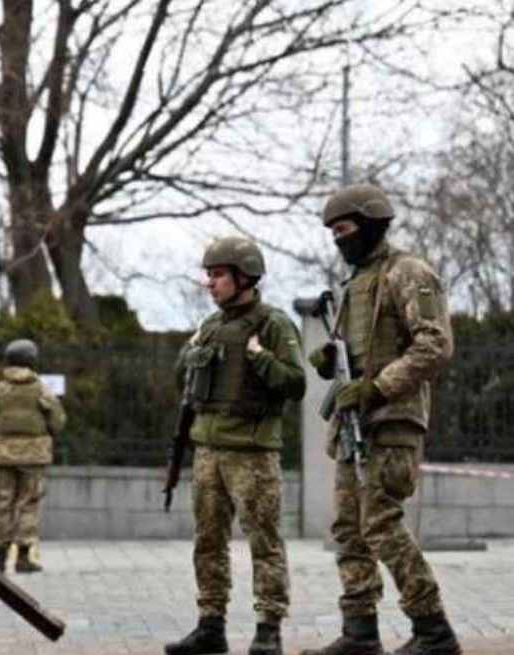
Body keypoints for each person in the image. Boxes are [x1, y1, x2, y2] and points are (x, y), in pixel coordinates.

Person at [301, 184, 461, 655]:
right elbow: (358, 350)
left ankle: (433, 629)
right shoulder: (355, 284)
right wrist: (331, 358)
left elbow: (435, 344)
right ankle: (359, 633)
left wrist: (376, 387)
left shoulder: (407, 272)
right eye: (333, 232)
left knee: (381, 524)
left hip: (391, 422)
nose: (339, 240)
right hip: (355, 426)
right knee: (349, 530)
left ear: (371, 225)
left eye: (345, 229)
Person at [165, 237, 305, 655]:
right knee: (207, 540)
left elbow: (296, 383)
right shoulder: (209, 326)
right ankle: (211, 625)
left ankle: (269, 628)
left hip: (253, 453)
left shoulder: (273, 324)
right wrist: (188, 353)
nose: (211, 283)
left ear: (244, 276)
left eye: (219, 274)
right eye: (209, 275)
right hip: (208, 450)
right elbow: (182, 383)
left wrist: (260, 358)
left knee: (264, 540)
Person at [0, 338, 65, 574]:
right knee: (28, 504)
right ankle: (24, 558)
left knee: (4, 504)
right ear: (32, 360)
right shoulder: (41, 389)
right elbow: (58, 421)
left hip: (5, 456)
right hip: (34, 457)